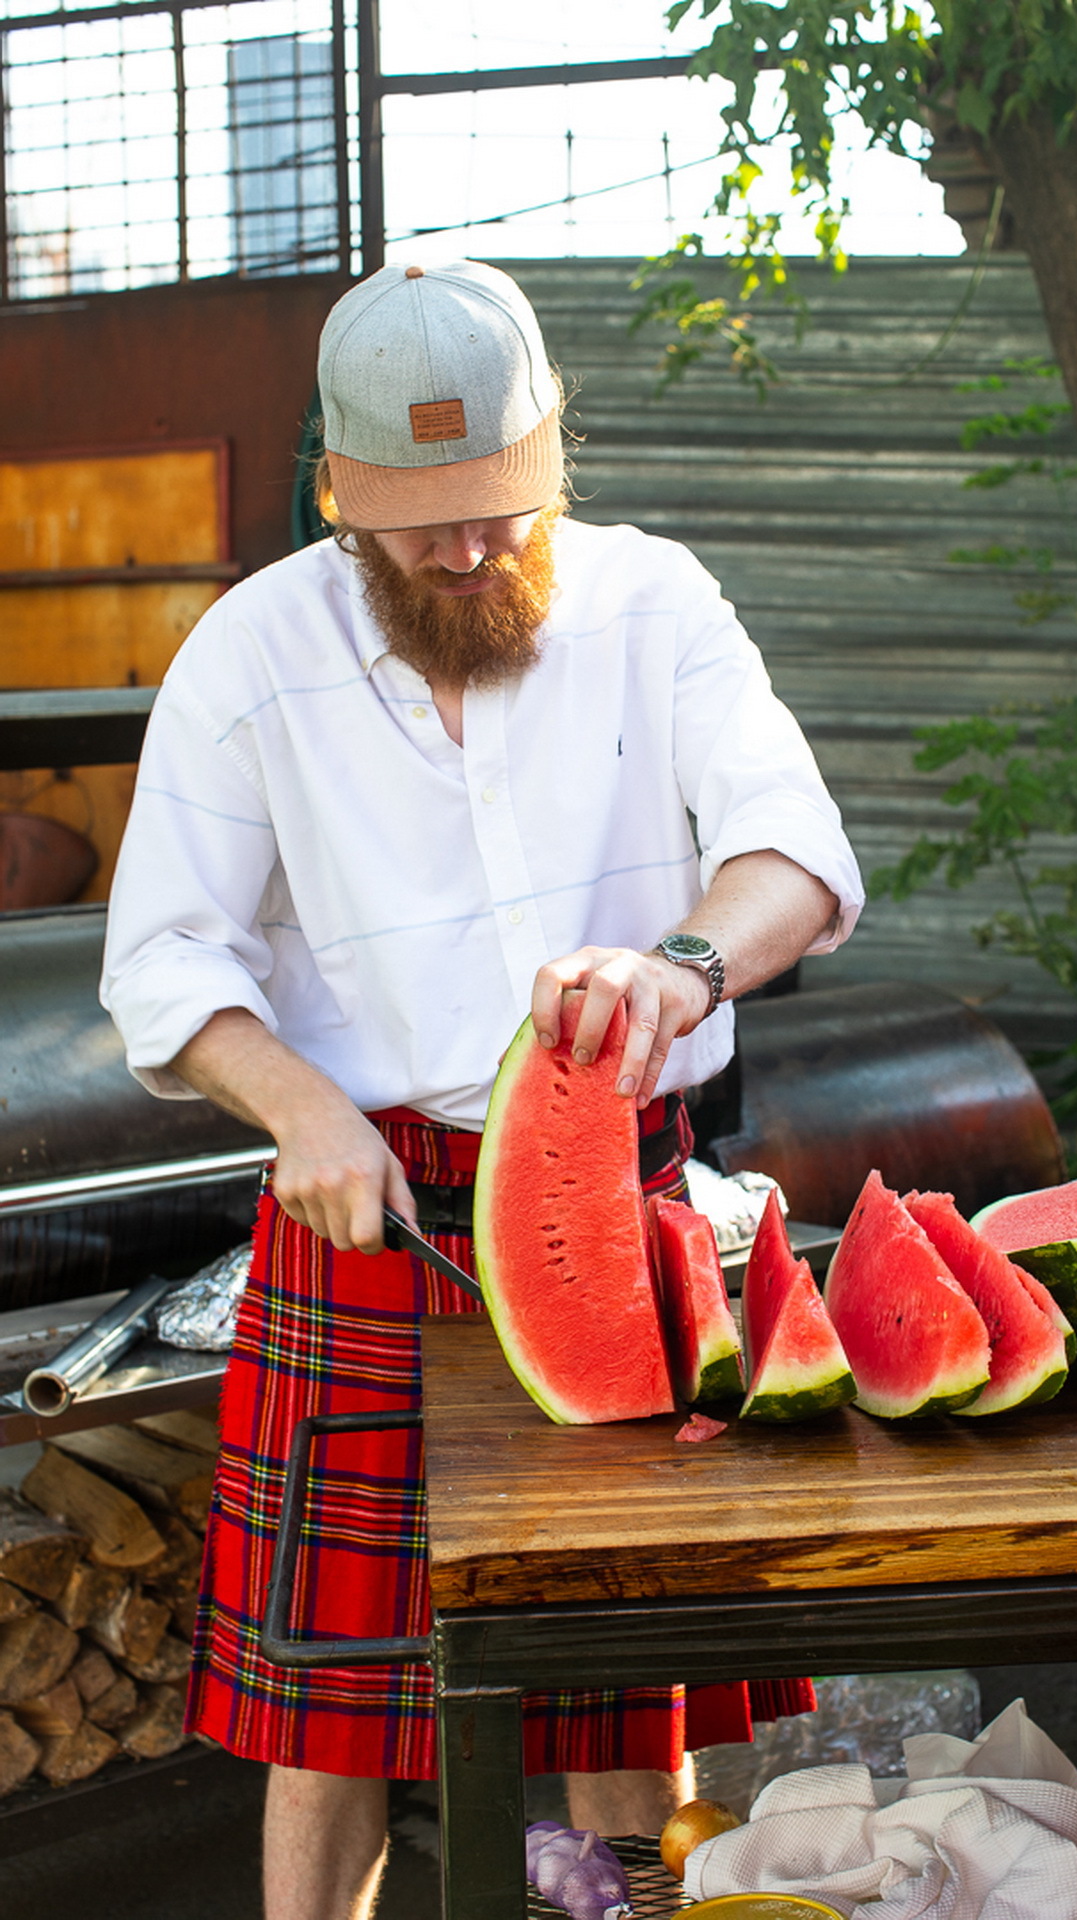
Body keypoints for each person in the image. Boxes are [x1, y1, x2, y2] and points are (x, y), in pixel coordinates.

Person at [102, 257, 863, 1920]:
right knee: (334, 1717)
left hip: (623, 1190)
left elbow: (793, 853)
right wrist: (297, 1106)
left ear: (553, 460)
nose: (468, 549)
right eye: (423, 520)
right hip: (362, 1219)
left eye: (499, 509)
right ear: (341, 497)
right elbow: (165, 956)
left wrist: (684, 966)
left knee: (624, 1681)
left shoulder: (657, 603)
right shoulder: (251, 654)